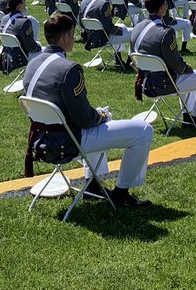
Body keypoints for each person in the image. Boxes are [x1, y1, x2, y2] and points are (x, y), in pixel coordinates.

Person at [23, 13, 153, 207]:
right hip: (66, 142)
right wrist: (102, 116)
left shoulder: (33, 63)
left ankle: (93, 186)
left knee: (98, 122)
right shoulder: (69, 68)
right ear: (66, 36)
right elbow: (84, 119)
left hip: (41, 140)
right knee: (143, 131)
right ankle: (121, 194)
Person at [130, 0, 196, 128]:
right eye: (165, 4)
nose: (167, 6)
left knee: (188, 78)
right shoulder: (165, 32)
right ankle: (194, 117)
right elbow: (176, 64)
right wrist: (186, 68)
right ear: (161, 8)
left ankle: (187, 115)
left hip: (144, 81)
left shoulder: (137, 27)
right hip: (164, 83)